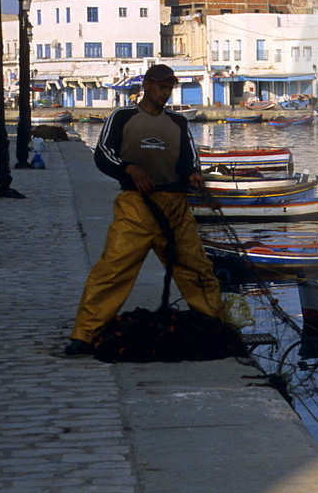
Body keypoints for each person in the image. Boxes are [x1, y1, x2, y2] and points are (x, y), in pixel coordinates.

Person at [65, 64, 223, 356]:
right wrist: (129, 169)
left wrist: (194, 174)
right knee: (112, 270)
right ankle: (85, 334)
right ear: (146, 85)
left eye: (169, 87)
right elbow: (103, 156)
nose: (165, 92)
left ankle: (214, 324)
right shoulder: (122, 117)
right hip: (136, 206)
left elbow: (191, 159)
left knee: (196, 268)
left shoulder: (178, 123)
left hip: (175, 208)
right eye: (161, 86)